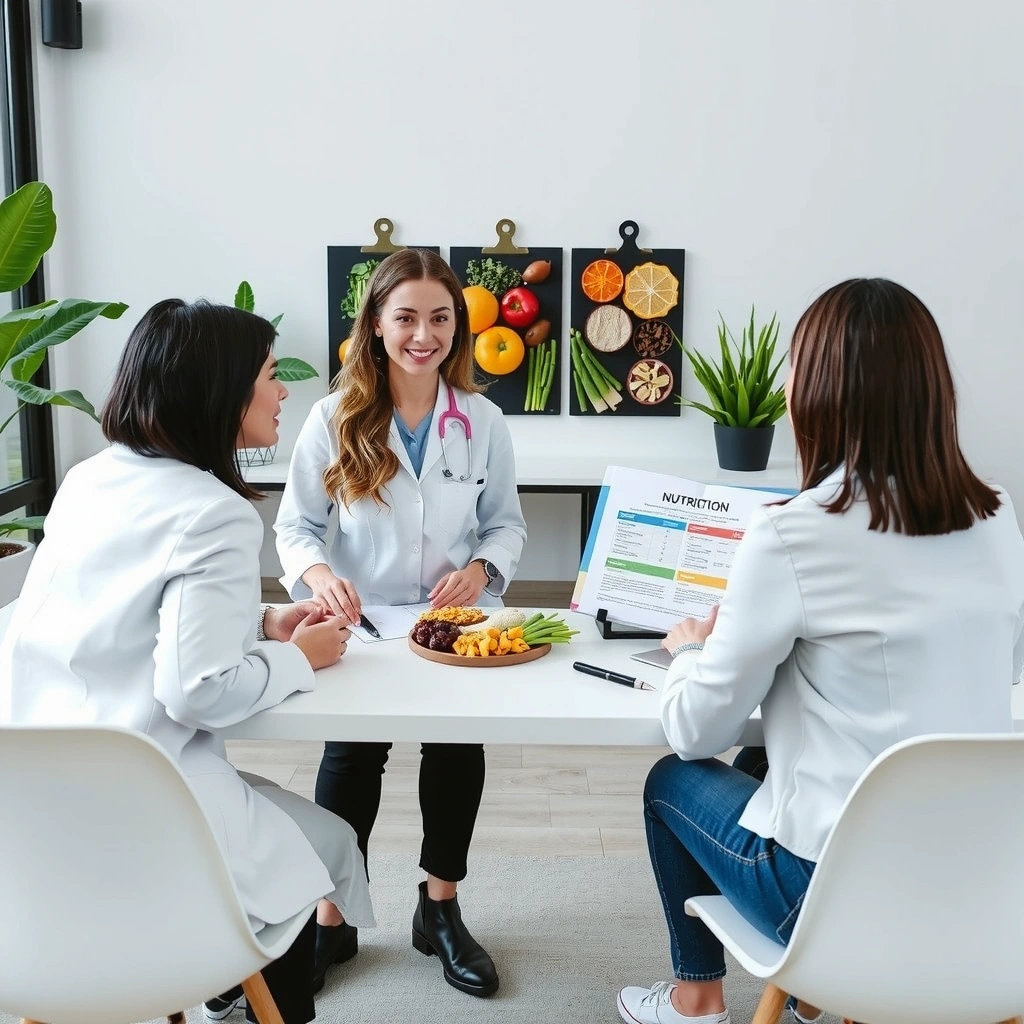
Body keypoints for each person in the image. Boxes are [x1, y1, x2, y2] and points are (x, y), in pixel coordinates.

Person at [616, 278, 1024, 1024]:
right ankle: (805, 1002)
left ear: (824, 391)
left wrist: (689, 653)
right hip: (991, 898)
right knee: (764, 761)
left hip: (837, 910)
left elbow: (696, 729)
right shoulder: (996, 514)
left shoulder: (793, 534)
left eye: (798, 368)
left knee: (671, 778)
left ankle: (696, 1001)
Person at [0, 299, 375, 1024]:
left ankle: (222, 993)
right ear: (224, 393)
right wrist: (298, 658)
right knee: (325, 843)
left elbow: (109, 609)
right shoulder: (216, 512)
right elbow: (196, 690)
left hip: (33, 809)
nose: (284, 390)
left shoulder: (86, 478)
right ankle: (254, 997)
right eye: (270, 375)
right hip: (140, 803)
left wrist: (258, 618)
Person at [274, 248, 526, 998]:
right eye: (407, 317)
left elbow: (505, 527)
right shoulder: (331, 417)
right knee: (352, 760)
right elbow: (296, 530)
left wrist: (480, 573)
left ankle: (438, 909)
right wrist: (320, 577)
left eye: (441, 317)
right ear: (377, 326)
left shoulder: (481, 420)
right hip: (361, 629)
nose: (426, 333)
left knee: (455, 753)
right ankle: (331, 916)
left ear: (460, 326)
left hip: (452, 631)